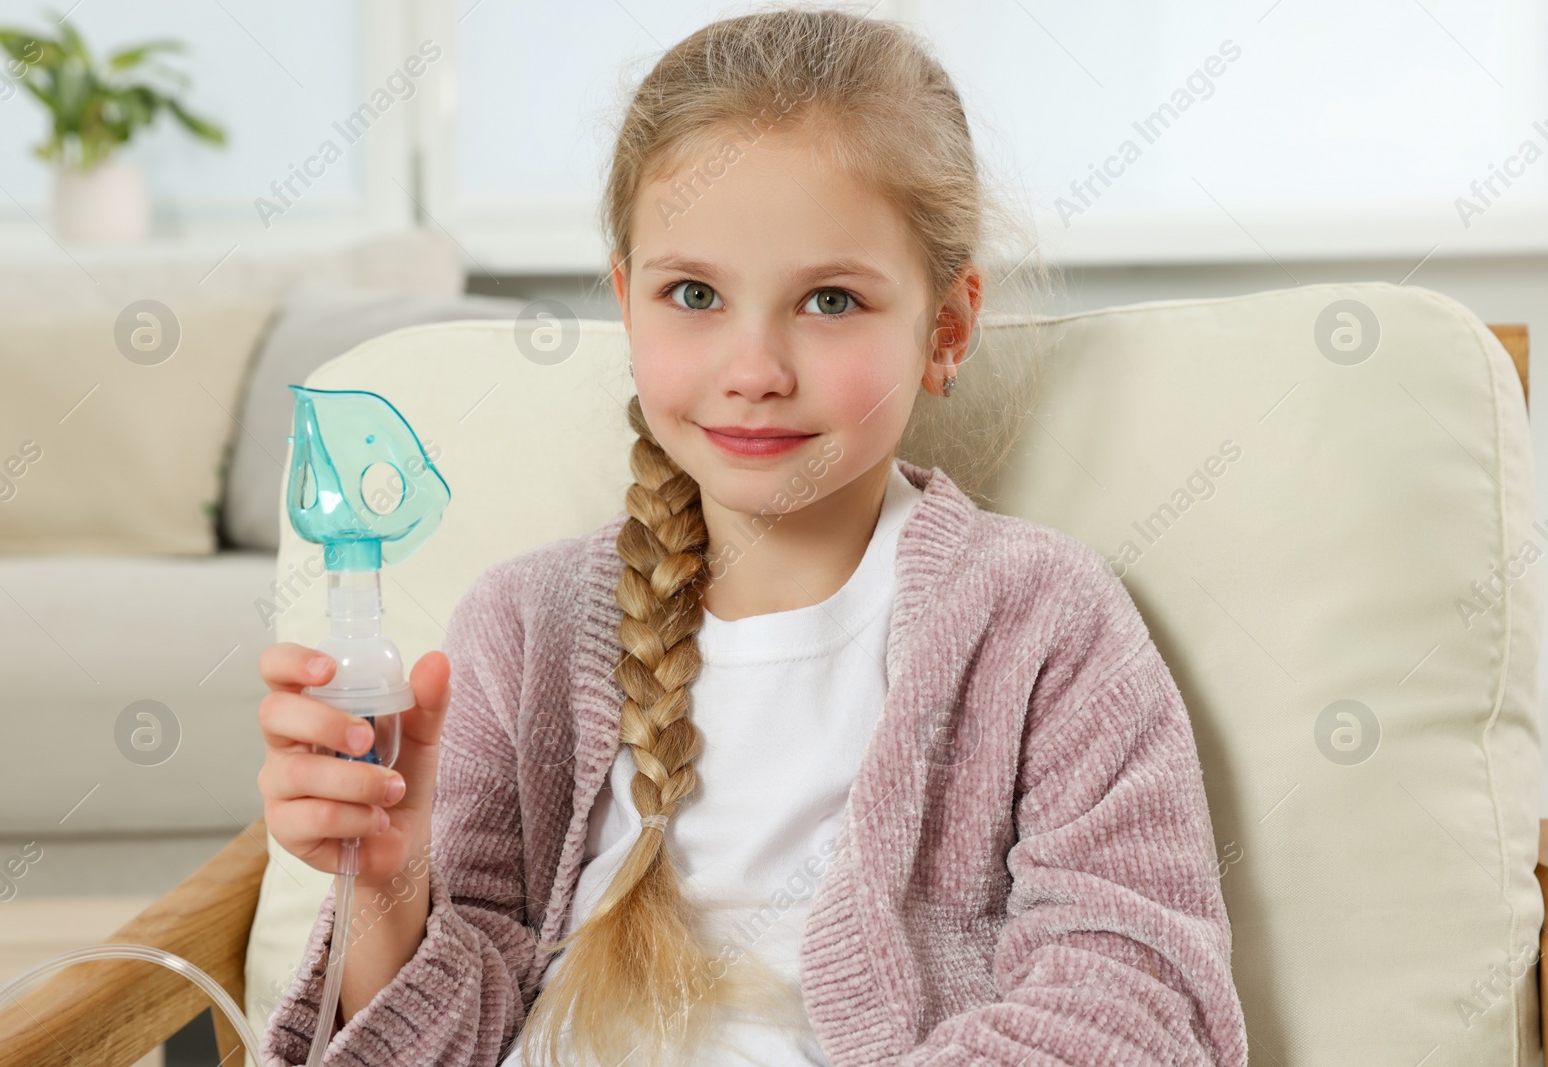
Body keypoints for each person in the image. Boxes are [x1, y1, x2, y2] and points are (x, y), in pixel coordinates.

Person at [257, 6, 1247, 1066]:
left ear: (946, 329)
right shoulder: (524, 626)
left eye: (829, 298)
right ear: (625, 305)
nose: (754, 368)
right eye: (693, 294)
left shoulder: (1043, 622)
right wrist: (389, 888)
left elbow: (1141, 1003)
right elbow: (438, 1035)